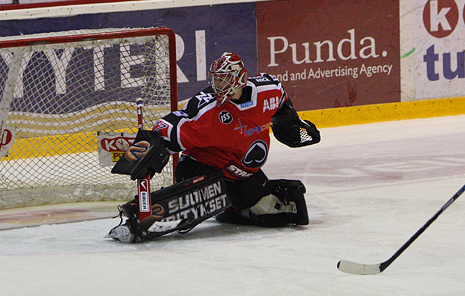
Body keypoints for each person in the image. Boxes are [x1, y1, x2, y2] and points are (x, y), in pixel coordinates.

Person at [108, 52, 320, 242]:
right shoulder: (208, 110)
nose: (218, 84)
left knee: (273, 213)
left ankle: (232, 208)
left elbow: (281, 97)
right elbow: (172, 126)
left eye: (224, 78)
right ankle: (140, 219)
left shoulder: (267, 91)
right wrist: (148, 148)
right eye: (216, 78)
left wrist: (287, 119)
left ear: (241, 79)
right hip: (201, 168)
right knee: (186, 214)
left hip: (241, 173)